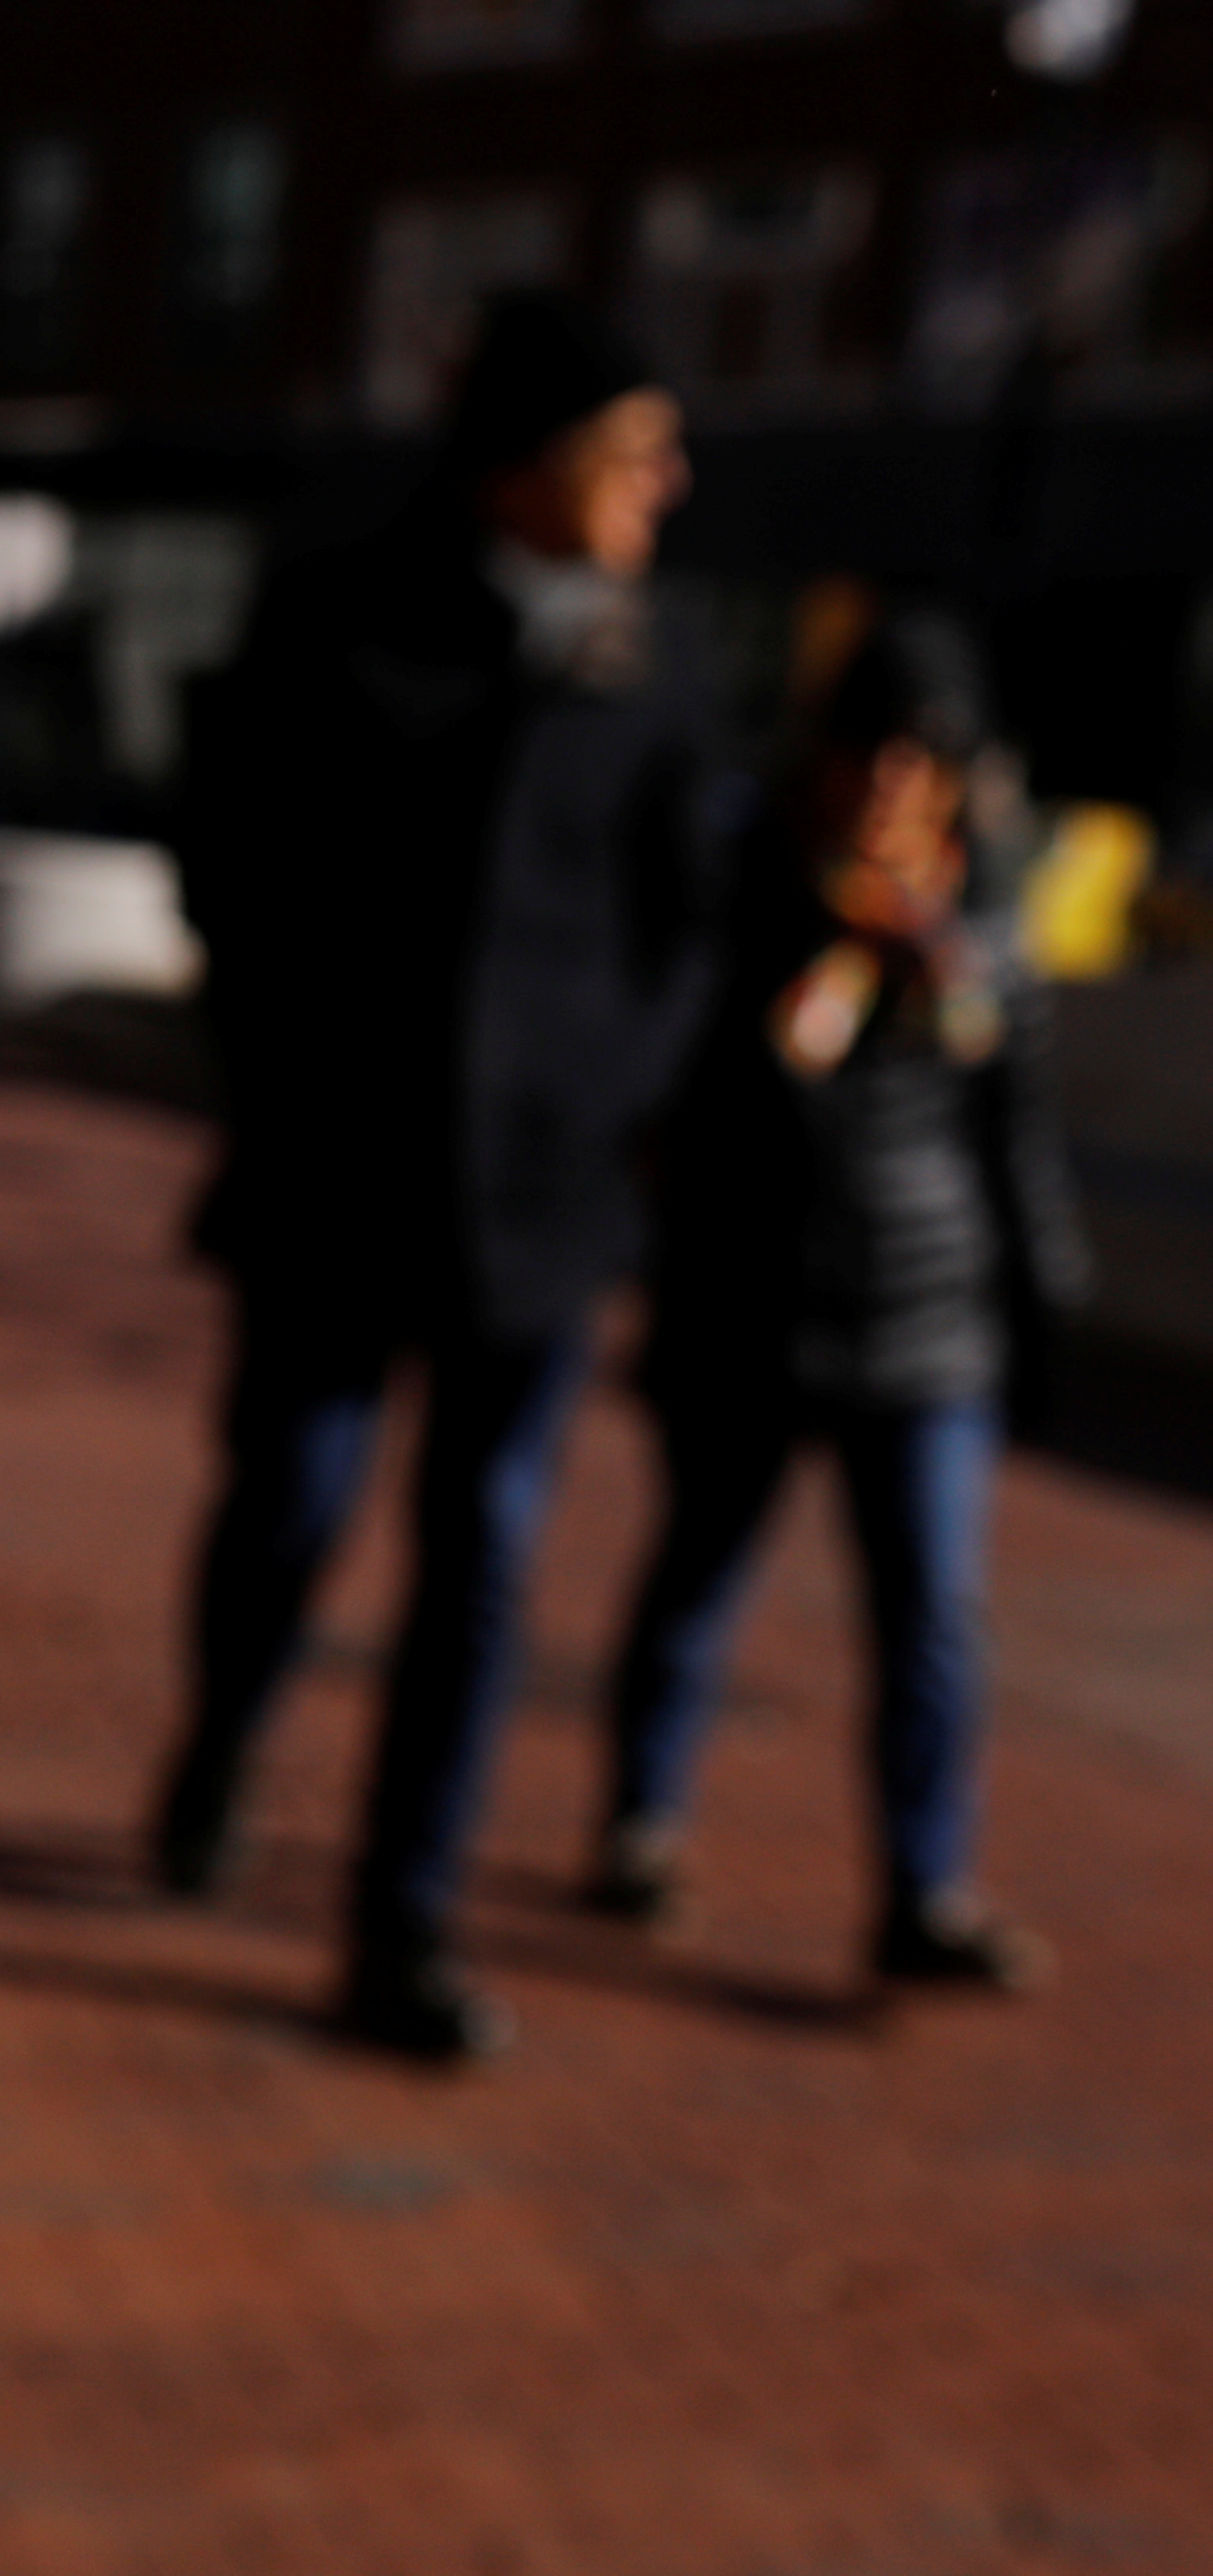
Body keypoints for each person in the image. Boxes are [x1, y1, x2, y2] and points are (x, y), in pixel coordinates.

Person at [154, 292, 719, 2061]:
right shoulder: (336, 617)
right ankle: (224, 1730)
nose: (667, 484)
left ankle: (399, 1924)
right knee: (294, 1505)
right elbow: (227, 868)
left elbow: (678, 928)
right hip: (341, 1172)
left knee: (482, 1550)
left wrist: (610, 1091)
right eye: (635, 452)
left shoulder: (656, 663)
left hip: (539, 1206)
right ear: (528, 467)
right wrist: (288, 1073)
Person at [585, 614, 1091, 1989]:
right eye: (869, 750)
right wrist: (822, 951)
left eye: (922, 758)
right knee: (699, 1571)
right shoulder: (745, 892)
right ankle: (641, 1816)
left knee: (933, 1616)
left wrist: (1042, 1303)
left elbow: (1018, 1134)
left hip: (931, 1320)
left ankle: (925, 1888)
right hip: (755, 1304)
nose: (890, 784)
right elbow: (693, 1094)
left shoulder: (983, 926)